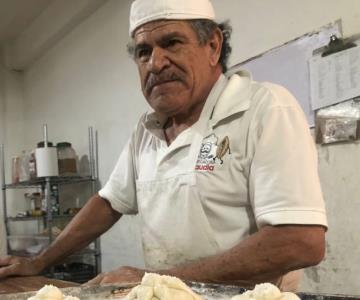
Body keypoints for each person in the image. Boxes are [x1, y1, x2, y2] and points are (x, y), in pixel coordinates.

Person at [0, 0, 327, 291]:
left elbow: (300, 241)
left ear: (213, 45)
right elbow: (108, 202)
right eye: (144, 52)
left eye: (171, 42)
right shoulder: (147, 130)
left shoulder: (264, 109)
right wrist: (39, 262)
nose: (156, 63)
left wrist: (153, 279)